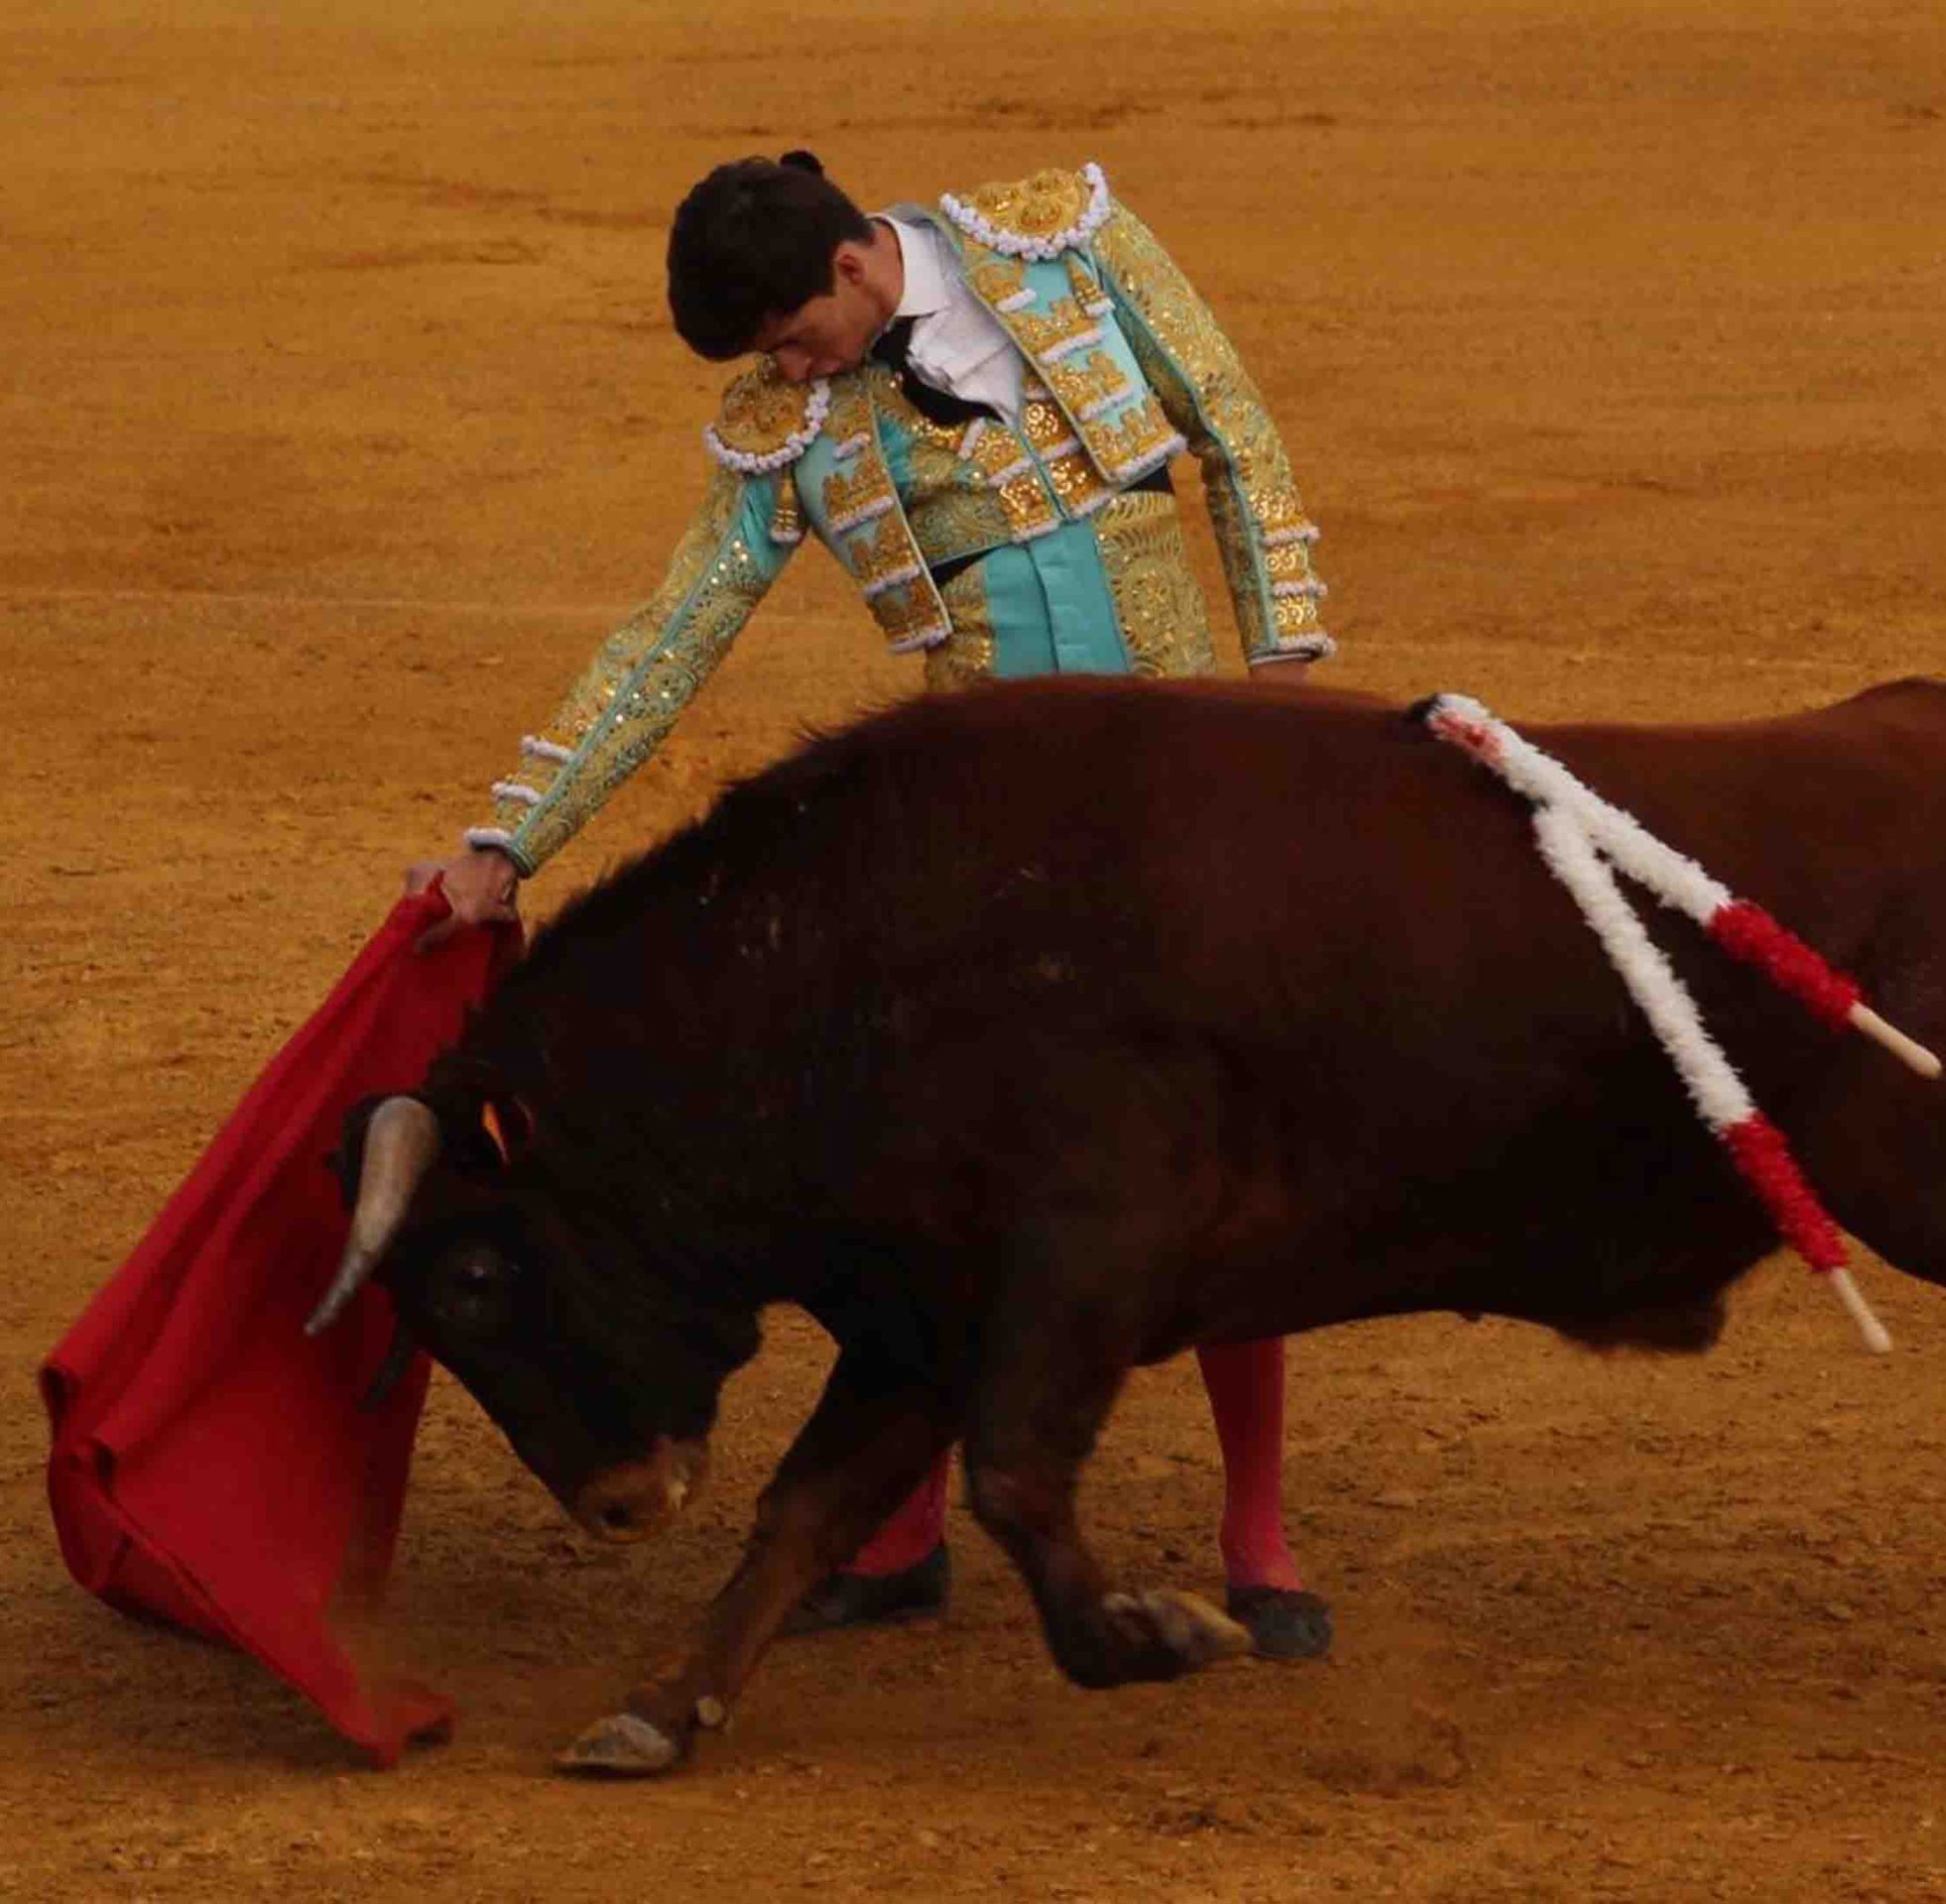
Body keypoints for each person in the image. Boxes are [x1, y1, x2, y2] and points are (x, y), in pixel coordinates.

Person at [416, 151, 1336, 1659]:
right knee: (936, 1178)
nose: (789, 373)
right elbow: (674, 634)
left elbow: (1231, 425)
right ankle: (900, 1537)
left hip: (1180, 801)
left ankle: (1260, 1534)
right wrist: (510, 839)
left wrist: (1282, 667)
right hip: (987, 851)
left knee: (1223, 1146)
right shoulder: (786, 429)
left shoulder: (1065, 242)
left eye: (794, 338)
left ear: (852, 267)